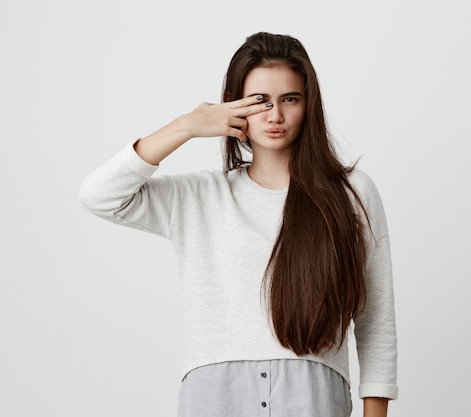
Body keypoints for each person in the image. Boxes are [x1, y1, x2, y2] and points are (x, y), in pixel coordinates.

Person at [80, 32, 397, 417]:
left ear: (308, 105)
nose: (275, 115)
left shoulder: (351, 193)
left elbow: (375, 316)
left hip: (313, 393)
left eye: (290, 99)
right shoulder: (199, 196)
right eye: (259, 101)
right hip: (214, 396)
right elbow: (99, 194)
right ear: (233, 106)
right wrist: (186, 126)